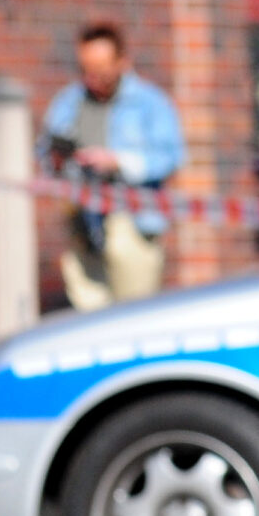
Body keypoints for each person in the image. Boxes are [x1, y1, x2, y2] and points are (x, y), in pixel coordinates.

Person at [41, 23, 186, 310]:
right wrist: (59, 159)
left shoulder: (150, 103)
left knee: (133, 317)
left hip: (130, 222)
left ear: (122, 63)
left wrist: (118, 161)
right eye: (86, 70)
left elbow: (171, 156)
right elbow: (45, 152)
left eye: (100, 70)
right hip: (83, 223)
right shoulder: (69, 102)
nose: (92, 79)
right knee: (89, 319)